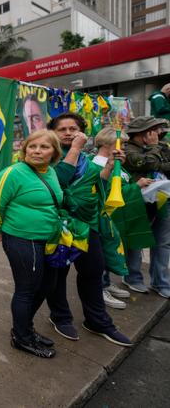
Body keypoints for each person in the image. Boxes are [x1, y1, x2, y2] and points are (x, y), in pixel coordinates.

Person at [46, 113, 132, 347]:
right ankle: (60, 317)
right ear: (52, 133)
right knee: (58, 274)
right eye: (61, 129)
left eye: (73, 128)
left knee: (93, 271)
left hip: (88, 224)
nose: (68, 132)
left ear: (82, 131)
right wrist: (74, 148)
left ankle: (97, 321)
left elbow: (97, 186)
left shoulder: (86, 159)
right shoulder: (47, 155)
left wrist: (112, 165)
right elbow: (62, 182)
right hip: (60, 226)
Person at [0, 130, 62, 358]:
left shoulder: (51, 173)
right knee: (27, 290)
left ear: (54, 152)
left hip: (47, 240)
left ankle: (26, 328)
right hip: (21, 238)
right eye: (33, 146)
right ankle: (22, 338)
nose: (37, 151)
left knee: (47, 285)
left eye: (44, 147)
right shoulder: (12, 173)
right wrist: (4, 230)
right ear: (25, 149)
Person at [90, 127, 155, 309]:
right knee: (102, 254)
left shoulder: (116, 162)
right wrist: (137, 185)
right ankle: (100, 288)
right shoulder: (96, 163)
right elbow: (106, 192)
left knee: (110, 252)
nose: (125, 147)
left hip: (115, 217)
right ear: (107, 144)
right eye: (122, 143)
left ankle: (106, 283)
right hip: (104, 217)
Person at [122, 116, 170, 299]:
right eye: (155, 130)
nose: (159, 133)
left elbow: (163, 164)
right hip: (138, 200)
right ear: (144, 133)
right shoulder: (127, 149)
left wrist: (157, 155)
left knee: (163, 242)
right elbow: (149, 163)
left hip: (162, 198)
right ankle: (132, 277)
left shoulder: (162, 146)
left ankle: (161, 282)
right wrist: (154, 148)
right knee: (137, 240)